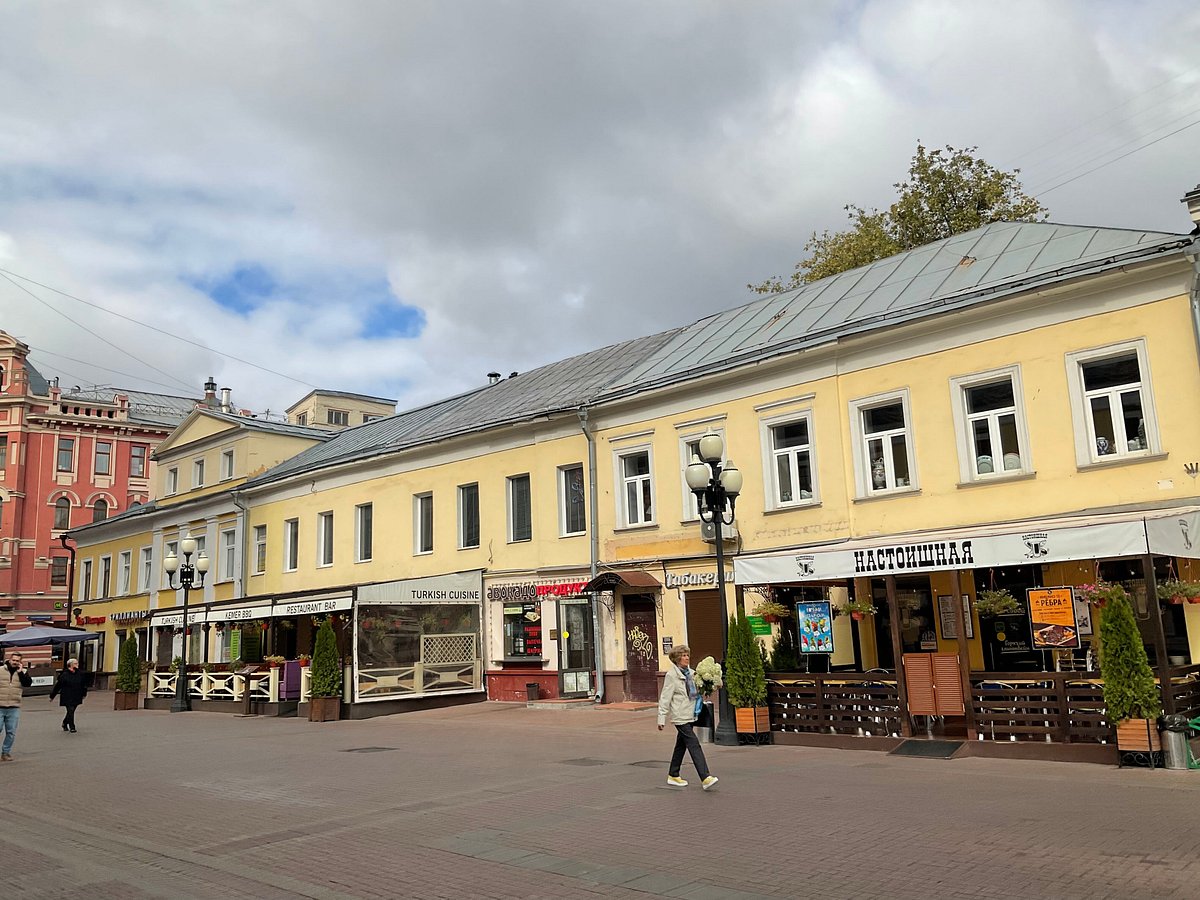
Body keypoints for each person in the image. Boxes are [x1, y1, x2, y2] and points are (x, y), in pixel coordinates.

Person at [656, 644, 718, 791]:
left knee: (681, 745)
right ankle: (705, 777)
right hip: (680, 715)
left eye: (687, 655)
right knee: (693, 744)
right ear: (677, 659)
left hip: (691, 714)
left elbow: (698, 691)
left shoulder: (692, 673)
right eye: (683, 656)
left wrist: (712, 685)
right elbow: (665, 697)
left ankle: (673, 774)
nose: (686, 658)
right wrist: (661, 717)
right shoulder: (672, 675)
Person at [1, 651, 33, 761]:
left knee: (11, 732)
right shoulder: (0, 670)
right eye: (13, 660)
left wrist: (20, 672)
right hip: (0, 706)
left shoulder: (23, 671)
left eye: (17, 661)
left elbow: (27, 684)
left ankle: (5, 753)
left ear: (20, 662)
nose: (15, 662)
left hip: (14, 706)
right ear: (9, 660)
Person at [49, 657, 88, 733]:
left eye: (77, 663)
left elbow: (84, 684)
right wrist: (52, 696)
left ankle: (64, 723)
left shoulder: (80, 673)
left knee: (71, 711)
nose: (77, 665)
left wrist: (84, 693)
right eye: (75, 663)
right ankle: (72, 727)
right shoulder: (64, 675)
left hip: (77, 695)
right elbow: (58, 686)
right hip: (67, 695)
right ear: (70, 665)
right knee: (70, 710)